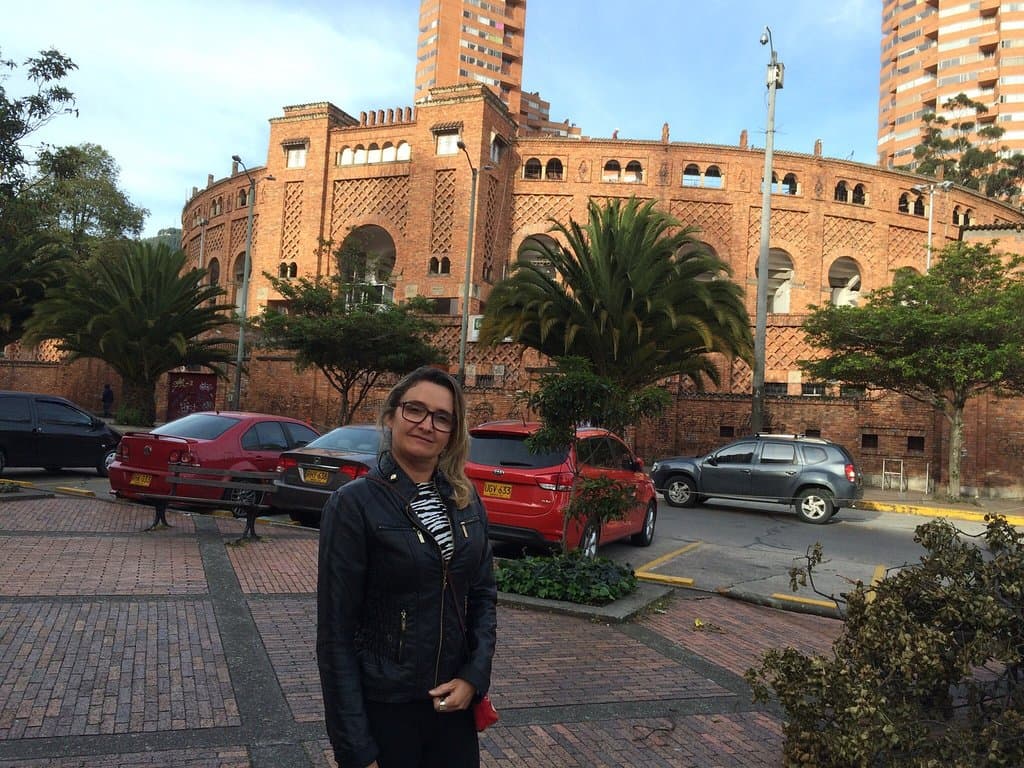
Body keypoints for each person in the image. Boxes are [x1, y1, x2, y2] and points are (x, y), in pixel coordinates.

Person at [317, 366, 497, 768]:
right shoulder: (354, 505)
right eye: (415, 410)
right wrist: (355, 748)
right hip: (386, 707)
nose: (426, 424)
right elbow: (335, 635)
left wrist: (474, 675)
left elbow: (483, 595)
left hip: (453, 707)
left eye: (442, 417)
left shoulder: (467, 501)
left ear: (453, 432)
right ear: (391, 414)